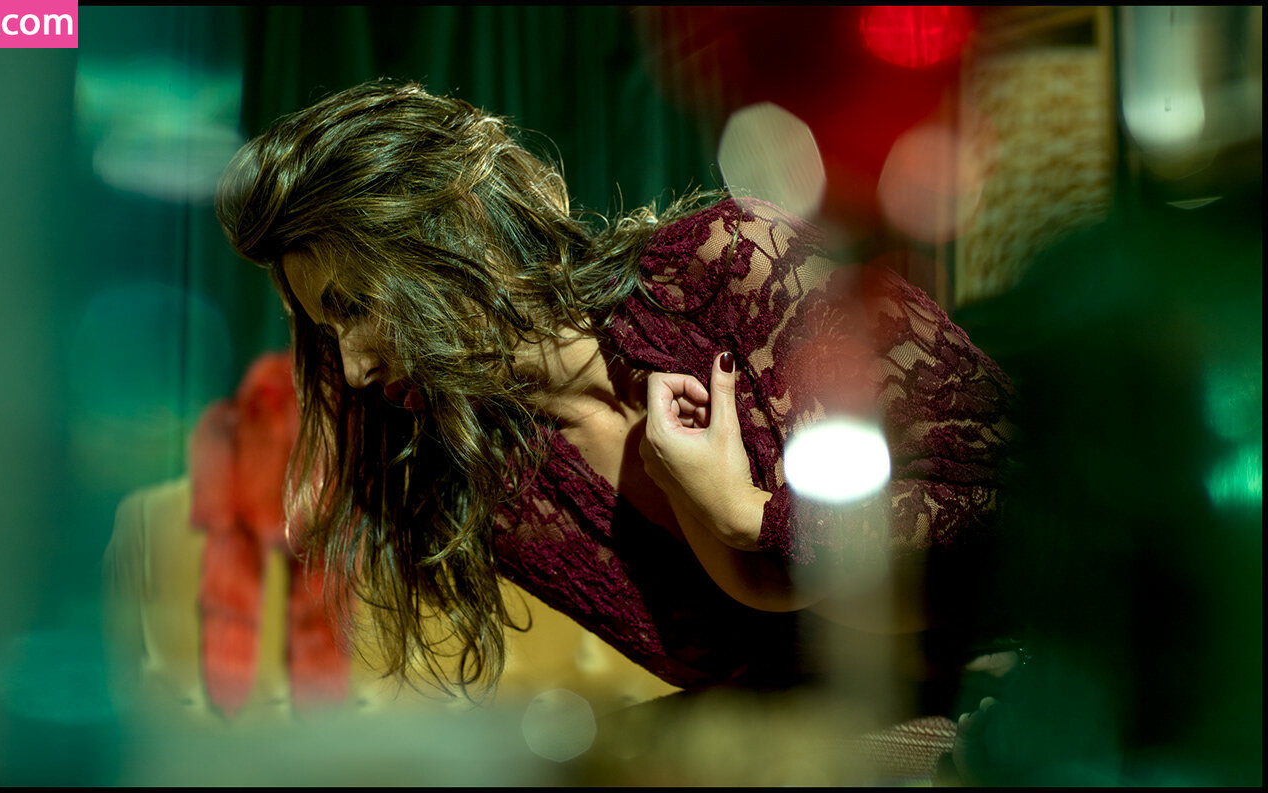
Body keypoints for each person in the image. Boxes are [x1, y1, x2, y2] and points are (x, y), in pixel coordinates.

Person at [214, 80, 1018, 705]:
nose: (353, 368)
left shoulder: (730, 268)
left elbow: (1011, 501)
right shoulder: (507, 492)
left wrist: (747, 517)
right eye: (328, 333)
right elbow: (757, 671)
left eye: (356, 307)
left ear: (454, 227)